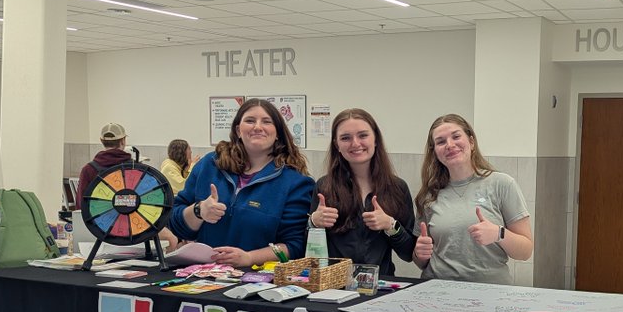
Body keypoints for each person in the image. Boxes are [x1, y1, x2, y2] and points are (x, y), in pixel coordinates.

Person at [167, 99, 314, 267]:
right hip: (201, 277)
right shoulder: (209, 165)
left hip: (257, 279)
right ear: (238, 130)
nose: (257, 127)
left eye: (267, 122)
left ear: (278, 133)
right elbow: (176, 225)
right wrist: (198, 211)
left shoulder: (295, 183)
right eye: (250, 120)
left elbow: (294, 246)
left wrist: (249, 258)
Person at [413, 113, 533, 284]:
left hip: (491, 291)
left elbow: (525, 251)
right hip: (438, 290)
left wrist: (499, 233)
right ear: (435, 152)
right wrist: (419, 254)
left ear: (471, 142)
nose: (450, 145)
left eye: (456, 137)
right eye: (441, 142)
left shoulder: (502, 184)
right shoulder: (428, 195)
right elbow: (420, 262)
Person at [309, 108, 416, 278]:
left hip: (381, 285)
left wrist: (390, 225)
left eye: (363, 135)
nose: (355, 143)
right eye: (346, 138)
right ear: (337, 145)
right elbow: (306, 251)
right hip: (334, 286)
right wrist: (314, 223)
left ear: (375, 139)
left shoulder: (397, 187)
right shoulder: (324, 187)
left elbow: (408, 253)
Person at [76, 122, 132, 205]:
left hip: (96, 213)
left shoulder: (88, 169)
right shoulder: (133, 167)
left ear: (101, 141)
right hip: (129, 213)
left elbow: (81, 202)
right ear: (123, 141)